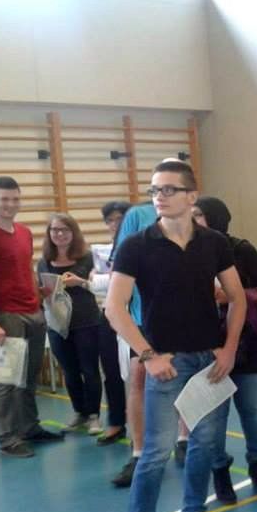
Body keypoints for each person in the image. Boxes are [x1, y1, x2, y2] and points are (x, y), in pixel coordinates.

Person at [106, 159, 246, 512]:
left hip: (209, 361)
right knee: (156, 453)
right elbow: (115, 308)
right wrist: (148, 356)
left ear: (191, 195)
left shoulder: (214, 243)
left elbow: (237, 297)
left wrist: (228, 350)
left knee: (204, 444)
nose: (159, 197)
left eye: (169, 189)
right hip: (166, 364)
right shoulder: (137, 245)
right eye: (155, 190)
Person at [0, 176, 64, 458]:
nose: (10, 204)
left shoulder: (24, 232)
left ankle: (29, 427)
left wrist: (39, 294)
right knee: (5, 380)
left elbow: (25, 270)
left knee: (29, 377)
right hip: (5, 316)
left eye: (15, 199)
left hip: (32, 311)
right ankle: (8, 438)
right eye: (4, 199)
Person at [195, 197, 257, 501]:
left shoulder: (242, 249)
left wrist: (230, 296)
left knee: (251, 410)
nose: (193, 220)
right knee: (215, 415)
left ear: (215, 218)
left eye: (199, 215)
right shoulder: (188, 252)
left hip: (246, 343)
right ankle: (220, 471)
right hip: (208, 345)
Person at [107, 195, 159, 485]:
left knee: (188, 382)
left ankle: (184, 441)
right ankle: (138, 453)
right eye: (159, 189)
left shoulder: (193, 220)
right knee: (139, 381)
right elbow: (119, 267)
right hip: (142, 319)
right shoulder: (138, 216)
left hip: (185, 321)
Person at [38, 213, 104, 435]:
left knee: (89, 369)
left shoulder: (87, 258)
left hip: (86, 321)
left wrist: (80, 282)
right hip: (58, 324)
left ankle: (94, 415)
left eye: (64, 230)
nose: (59, 234)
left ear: (73, 232)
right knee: (69, 370)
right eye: (54, 230)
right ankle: (79, 412)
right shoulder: (44, 261)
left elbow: (98, 285)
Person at [88, 201, 130, 445]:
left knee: (140, 374)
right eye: (110, 220)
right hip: (110, 313)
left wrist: (99, 280)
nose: (115, 224)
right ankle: (116, 421)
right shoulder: (106, 250)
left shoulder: (140, 245)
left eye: (120, 218)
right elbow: (103, 287)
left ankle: (153, 428)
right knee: (111, 370)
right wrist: (94, 279)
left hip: (136, 315)